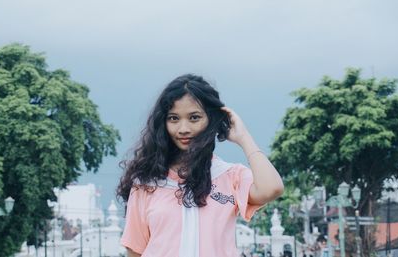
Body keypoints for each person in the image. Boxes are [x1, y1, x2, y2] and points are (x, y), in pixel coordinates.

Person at [117, 74, 284, 257]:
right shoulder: (146, 183)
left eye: (194, 118)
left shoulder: (229, 176)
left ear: (210, 119)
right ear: (163, 122)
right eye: (173, 118)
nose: (183, 129)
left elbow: (272, 188)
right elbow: (135, 250)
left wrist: (243, 138)